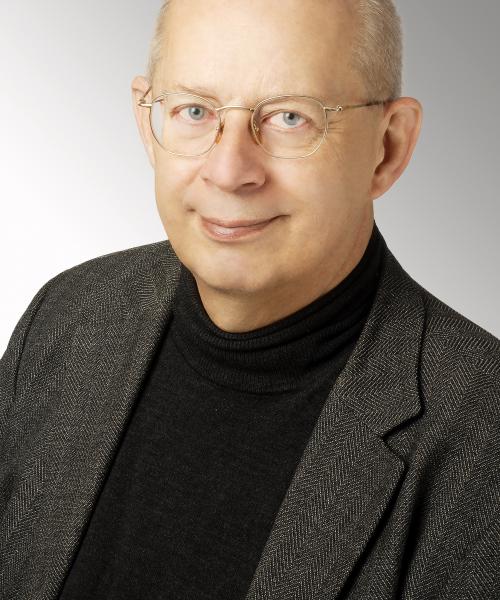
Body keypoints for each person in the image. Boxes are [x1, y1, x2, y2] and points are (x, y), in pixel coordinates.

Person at [1, 0, 499, 598]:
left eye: (290, 117)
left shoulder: (483, 433)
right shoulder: (69, 314)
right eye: (193, 110)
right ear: (147, 123)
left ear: (388, 147)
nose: (229, 170)